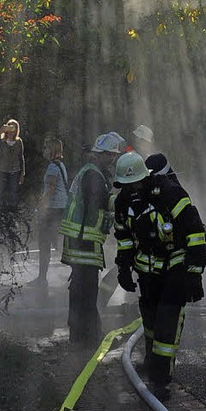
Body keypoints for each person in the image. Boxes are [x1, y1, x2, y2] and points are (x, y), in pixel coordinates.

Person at [113, 150, 206, 400]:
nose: (130, 189)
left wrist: (194, 274)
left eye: (133, 183)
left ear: (145, 178)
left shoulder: (169, 193)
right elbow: (123, 238)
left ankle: (160, 379)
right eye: (124, 184)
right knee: (151, 320)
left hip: (175, 264)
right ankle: (152, 360)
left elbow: (195, 233)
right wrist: (123, 268)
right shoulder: (122, 202)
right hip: (147, 270)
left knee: (167, 322)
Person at [59, 132, 124, 346]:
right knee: (87, 291)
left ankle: (79, 336)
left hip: (79, 239)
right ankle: (91, 338)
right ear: (101, 154)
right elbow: (101, 202)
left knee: (80, 289)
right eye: (111, 156)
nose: (112, 160)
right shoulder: (93, 176)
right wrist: (124, 200)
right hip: (84, 241)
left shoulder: (90, 172)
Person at [28, 137, 69, 294]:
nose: (44, 150)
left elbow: (51, 189)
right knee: (59, 242)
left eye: (46, 147)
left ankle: (42, 279)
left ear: (52, 150)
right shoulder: (61, 165)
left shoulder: (53, 167)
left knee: (44, 244)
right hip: (61, 208)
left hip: (53, 209)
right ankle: (71, 274)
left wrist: (41, 206)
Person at [0, 119, 25, 209]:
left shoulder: (19, 142)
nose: (11, 130)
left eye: (13, 128)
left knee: (13, 192)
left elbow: (21, 157)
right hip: (2, 170)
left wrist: (23, 173)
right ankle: (0, 210)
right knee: (1, 191)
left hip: (15, 171)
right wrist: (0, 132)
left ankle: (12, 211)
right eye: (9, 127)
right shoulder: (2, 141)